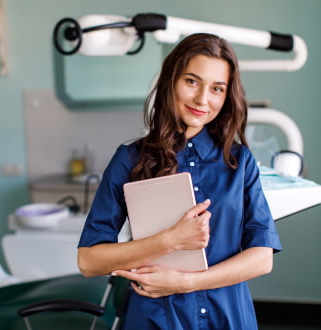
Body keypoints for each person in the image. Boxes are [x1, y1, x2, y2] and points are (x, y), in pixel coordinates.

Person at [77, 33, 282, 329]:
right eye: (192, 81)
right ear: (171, 80)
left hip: (227, 318)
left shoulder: (240, 162)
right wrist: (170, 240)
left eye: (217, 89)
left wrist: (187, 282)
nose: (202, 99)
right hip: (155, 318)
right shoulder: (130, 159)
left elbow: (262, 258)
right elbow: (88, 261)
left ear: (227, 96)